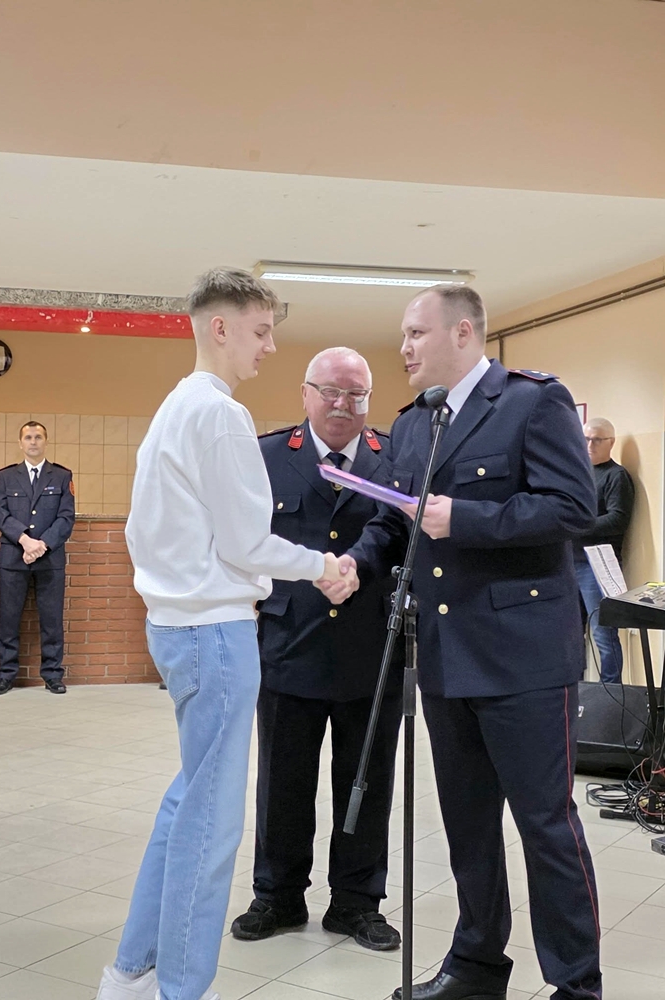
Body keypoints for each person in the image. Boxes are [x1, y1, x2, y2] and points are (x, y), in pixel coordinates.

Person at [322, 286, 601, 1000]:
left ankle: (577, 984)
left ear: (463, 332)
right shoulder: (416, 422)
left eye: (417, 333)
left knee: (545, 825)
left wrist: (467, 519)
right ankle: (476, 967)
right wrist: (356, 562)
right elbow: (396, 519)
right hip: (446, 653)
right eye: (404, 335)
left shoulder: (532, 401)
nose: (405, 348)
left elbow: (574, 506)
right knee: (468, 825)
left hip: (524, 655)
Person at [95, 269, 351, 1000]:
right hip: (214, 633)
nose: (269, 346)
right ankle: (181, 987)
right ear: (220, 327)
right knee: (211, 823)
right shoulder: (220, 413)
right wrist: (322, 565)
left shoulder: (176, 406)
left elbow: (156, 533)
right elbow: (246, 543)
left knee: (188, 801)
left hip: (178, 627)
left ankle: (131, 972)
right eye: (261, 331)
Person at [230, 347, 403, 951]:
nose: (342, 404)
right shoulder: (268, 455)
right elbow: (242, 538)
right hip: (289, 643)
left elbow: (401, 534)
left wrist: (356, 567)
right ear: (305, 393)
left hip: (371, 649)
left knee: (366, 782)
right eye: (330, 391)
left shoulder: (393, 459)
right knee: (283, 779)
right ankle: (277, 896)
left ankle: (357, 903)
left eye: (356, 394)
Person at [0, 421, 75, 695]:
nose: (33, 441)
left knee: (51, 620)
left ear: (46, 441)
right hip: (13, 557)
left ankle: (52, 675)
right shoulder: (6, 476)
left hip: (49, 559)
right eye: (28, 437)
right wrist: (25, 540)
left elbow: (66, 517)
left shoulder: (61, 476)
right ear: (20, 443)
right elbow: (0, 513)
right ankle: (5, 675)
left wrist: (43, 545)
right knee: (8, 619)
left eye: (38, 437)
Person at [573, 417, 635, 683]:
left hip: (597, 566)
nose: (590, 445)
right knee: (570, 633)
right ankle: (575, 691)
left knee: (603, 633)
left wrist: (576, 525)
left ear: (611, 442)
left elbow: (617, 519)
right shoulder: (577, 473)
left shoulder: (616, 476)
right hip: (569, 561)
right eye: (586, 438)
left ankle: (611, 692)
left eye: (597, 439)